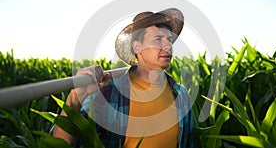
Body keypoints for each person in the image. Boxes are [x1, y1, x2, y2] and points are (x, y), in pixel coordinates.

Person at [53, 8, 194, 148]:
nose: (168, 46)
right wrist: (75, 99)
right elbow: (63, 143)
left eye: (169, 39)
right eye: (158, 39)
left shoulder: (181, 95)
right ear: (137, 47)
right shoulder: (108, 93)